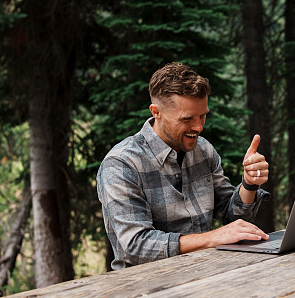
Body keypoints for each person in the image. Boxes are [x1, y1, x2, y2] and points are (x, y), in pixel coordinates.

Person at [97, 62, 270, 269]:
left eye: (203, 116)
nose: (198, 127)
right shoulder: (121, 164)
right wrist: (212, 238)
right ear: (156, 112)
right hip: (145, 287)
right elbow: (137, 246)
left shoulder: (204, 150)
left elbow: (232, 215)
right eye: (187, 118)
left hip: (204, 273)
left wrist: (249, 184)